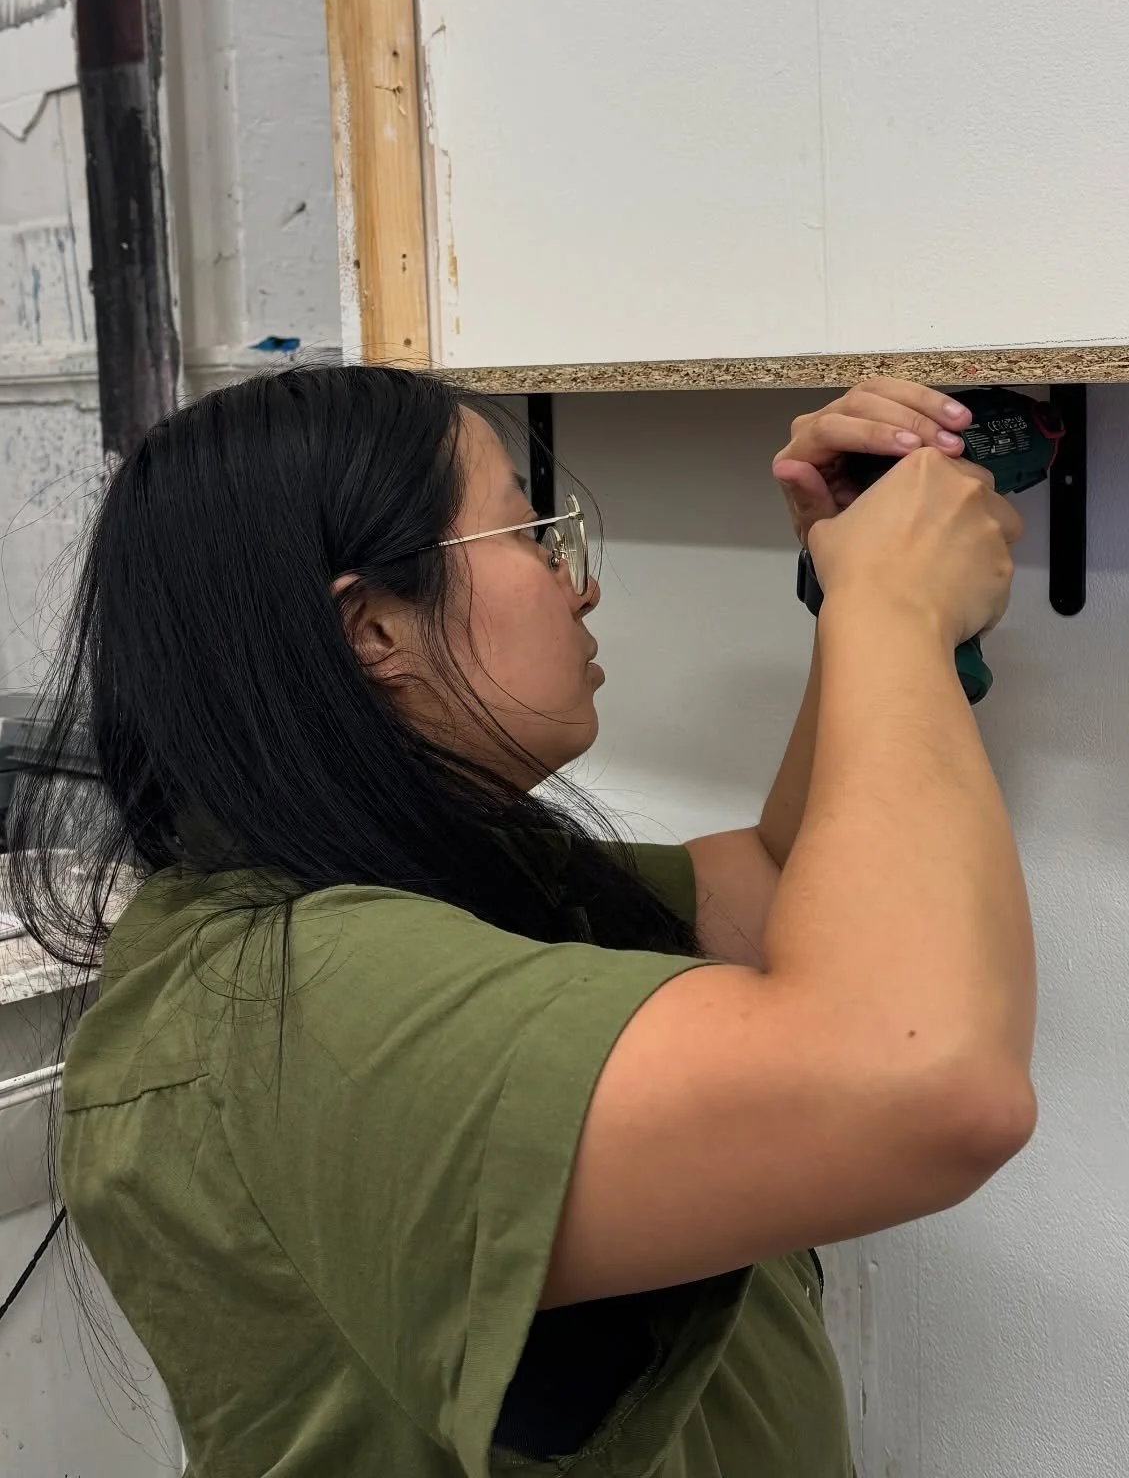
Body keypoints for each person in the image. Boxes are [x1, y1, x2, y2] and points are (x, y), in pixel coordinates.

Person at [10, 367, 1035, 1477]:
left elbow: (783, 887)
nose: (577, 587)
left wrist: (861, 591)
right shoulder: (302, 990)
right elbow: (924, 1082)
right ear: (373, 629)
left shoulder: (443, 879)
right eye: (529, 535)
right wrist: (895, 611)